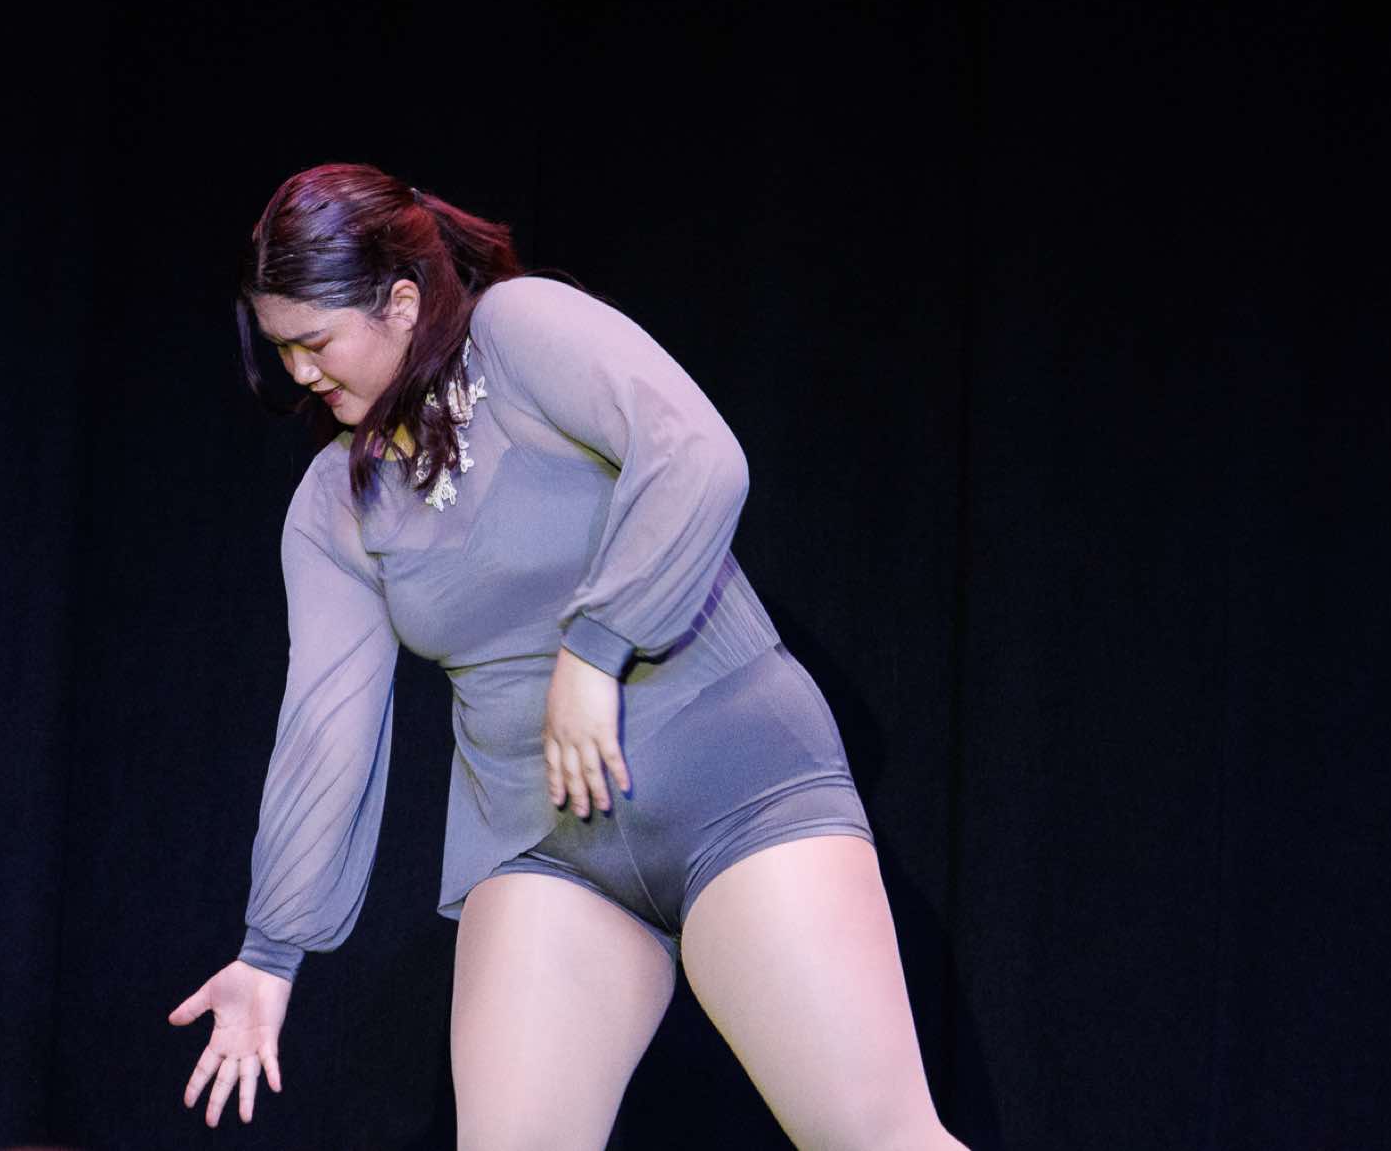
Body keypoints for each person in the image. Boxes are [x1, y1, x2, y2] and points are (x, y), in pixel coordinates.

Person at [167, 163, 966, 1148]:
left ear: (400, 304)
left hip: (733, 786)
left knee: (876, 1136)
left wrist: (594, 648)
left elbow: (695, 453)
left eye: (314, 342)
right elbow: (325, 730)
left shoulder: (519, 332)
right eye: (280, 347)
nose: (297, 372)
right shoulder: (337, 503)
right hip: (544, 843)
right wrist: (271, 950)